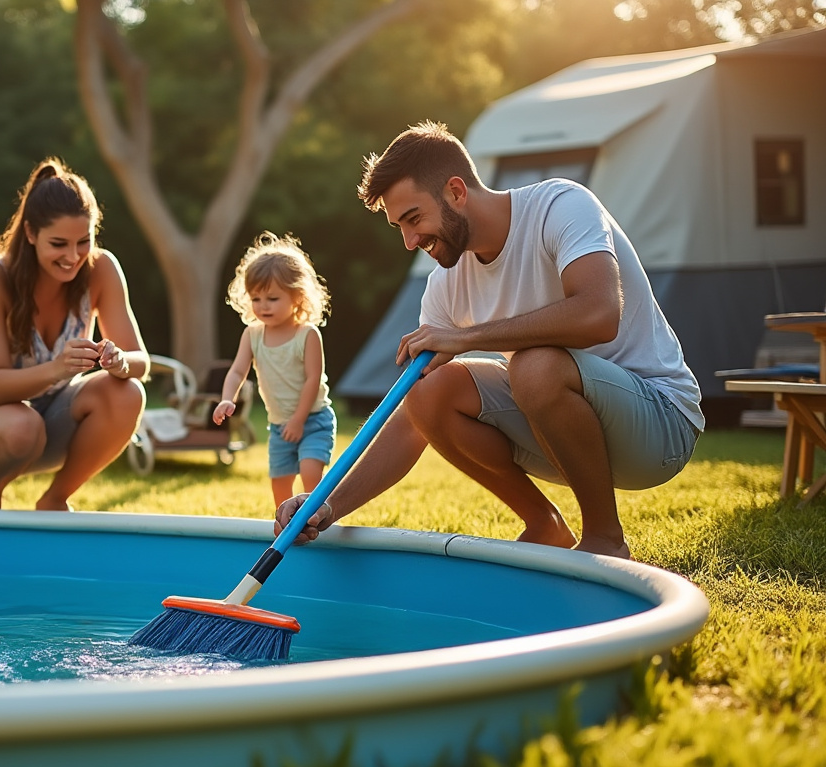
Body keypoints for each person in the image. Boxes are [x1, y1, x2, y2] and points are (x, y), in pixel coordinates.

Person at [276, 121, 703, 560]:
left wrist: (465, 337)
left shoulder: (560, 205)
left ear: (457, 192)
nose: (408, 241)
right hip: (565, 436)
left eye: (414, 219)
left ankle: (604, 538)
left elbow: (599, 314)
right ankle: (544, 523)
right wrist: (326, 505)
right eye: (398, 227)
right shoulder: (447, 282)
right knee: (427, 390)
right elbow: (411, 420)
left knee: (534, 365)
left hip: (659, 426)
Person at [0, 157, 149, 511]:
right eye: (59, 244)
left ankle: (54, 500)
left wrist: (120, 361)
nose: (73, 255)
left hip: (48, 416)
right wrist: (59, 368)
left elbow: (140, 360)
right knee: (23, 425)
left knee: (128, 393)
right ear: (31, 234)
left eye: (84, 241)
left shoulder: (102, 268)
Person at [213, 231, 336, 508]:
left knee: (310, 473)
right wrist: (226, 398)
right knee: (280, 482)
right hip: (279, 426)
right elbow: (236, 371)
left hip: (313, 420)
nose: (263, 306)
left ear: (297, 297)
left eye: (272, 298)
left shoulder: (307, 334)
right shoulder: (253, 334)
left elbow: (313, 380)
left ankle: (320, 520)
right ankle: (286, 527)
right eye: (256, 299)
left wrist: (299, 420)